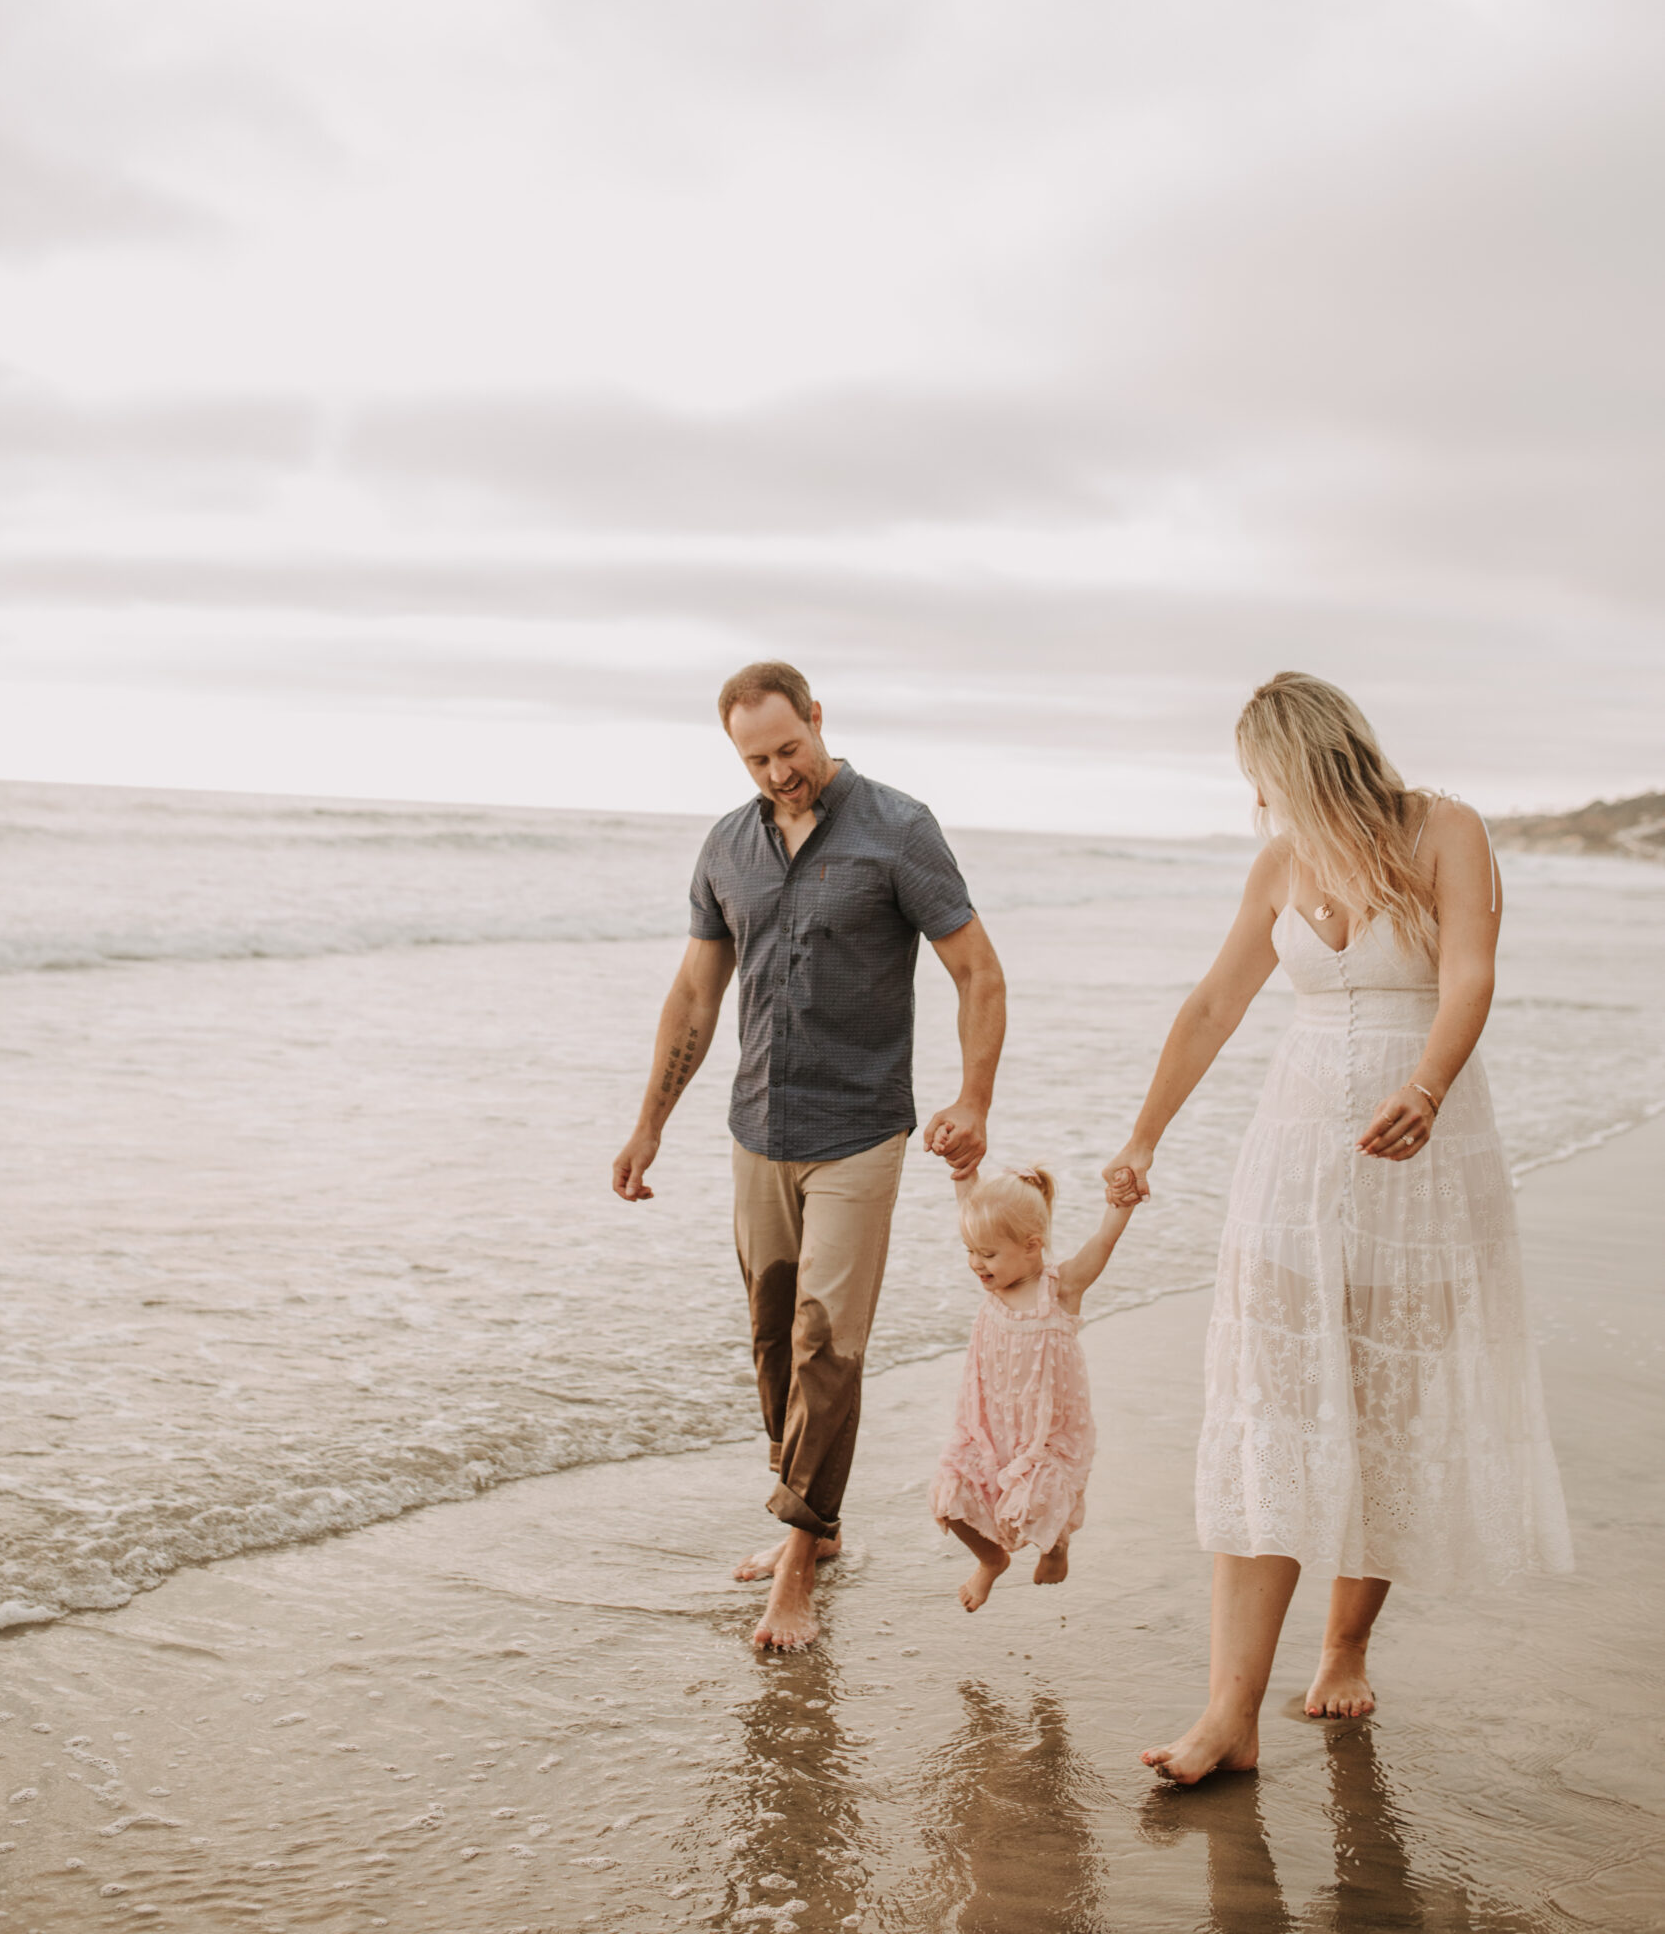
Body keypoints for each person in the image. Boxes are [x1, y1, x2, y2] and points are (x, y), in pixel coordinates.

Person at [1102, 671, 1572, 1784]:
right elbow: (1215, 1002)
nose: (1257, 806)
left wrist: (1428, 1084)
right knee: (1268, 1408)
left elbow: (1469, 975)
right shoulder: (1278, 865)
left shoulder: (1449, 830)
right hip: (1295, 1155)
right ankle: (1230, 1712)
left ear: (1306, 763)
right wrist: (1142, 1137)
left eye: (1261, 781)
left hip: (1424, 1157)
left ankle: (1346, 1642)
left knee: (1388, 1402)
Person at [611, 660, 1006, 1650]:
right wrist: (650, 1120)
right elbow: (696, 995)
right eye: (758, 758)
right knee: (774, 1339)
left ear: (819, 720)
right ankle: (816, 1522)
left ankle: (795, 1561)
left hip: (861, 1129)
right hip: (759, 1127)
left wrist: (973, 1098)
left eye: (791, 748)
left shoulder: (897, 829)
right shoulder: (727, 846)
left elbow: (977, 970)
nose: (780, 771)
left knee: (829, 1346)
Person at [930, 1161, 1136, 1610]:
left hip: (1042, 1432)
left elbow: (1104, 1241)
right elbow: (970, 1201)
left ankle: (1056, 1546)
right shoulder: (995, 1285)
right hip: (986, 1425)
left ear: (1032, 1246)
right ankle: (991, 1561)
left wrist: (1121, 1204)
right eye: (969, 1250)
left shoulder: (1060, 1291)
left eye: (985, 1254)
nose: (975, 1263)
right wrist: (962, 1165)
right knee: (948, 1499)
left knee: (1040, 1501)